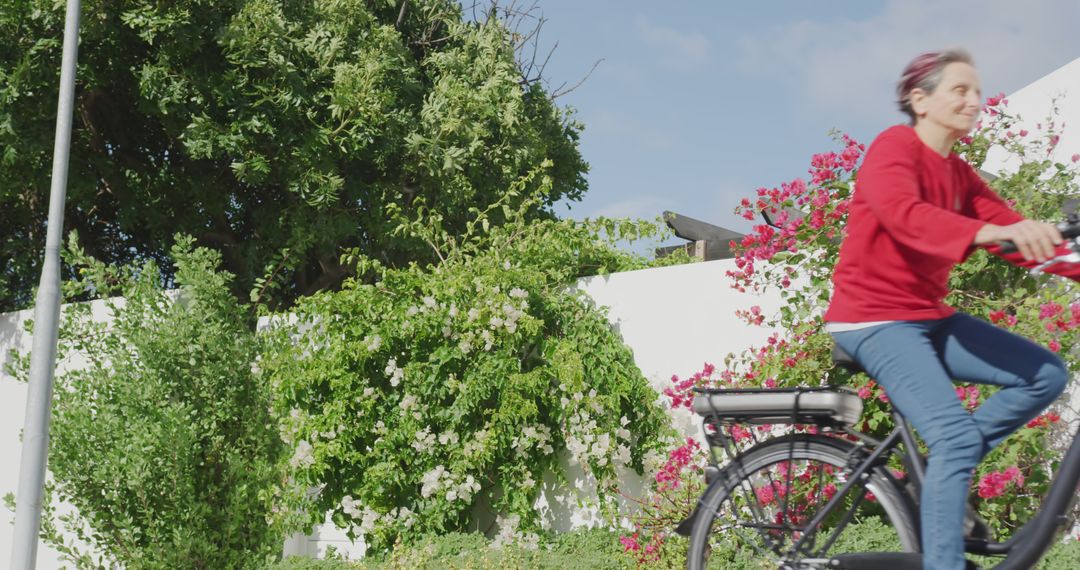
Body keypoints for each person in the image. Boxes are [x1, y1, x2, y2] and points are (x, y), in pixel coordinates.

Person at [824, 49, 1076, 570]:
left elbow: (1021, 236)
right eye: (960, 90)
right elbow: (905, 216)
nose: (974, 100)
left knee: (1045, 374)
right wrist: (992, 232)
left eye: (977, 91)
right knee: (956, 437)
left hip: (926, 317)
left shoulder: (960, 176)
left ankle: (948, 471)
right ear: (920, 100)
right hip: (872, 318)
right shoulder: (892, 149)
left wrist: (1040, 243)